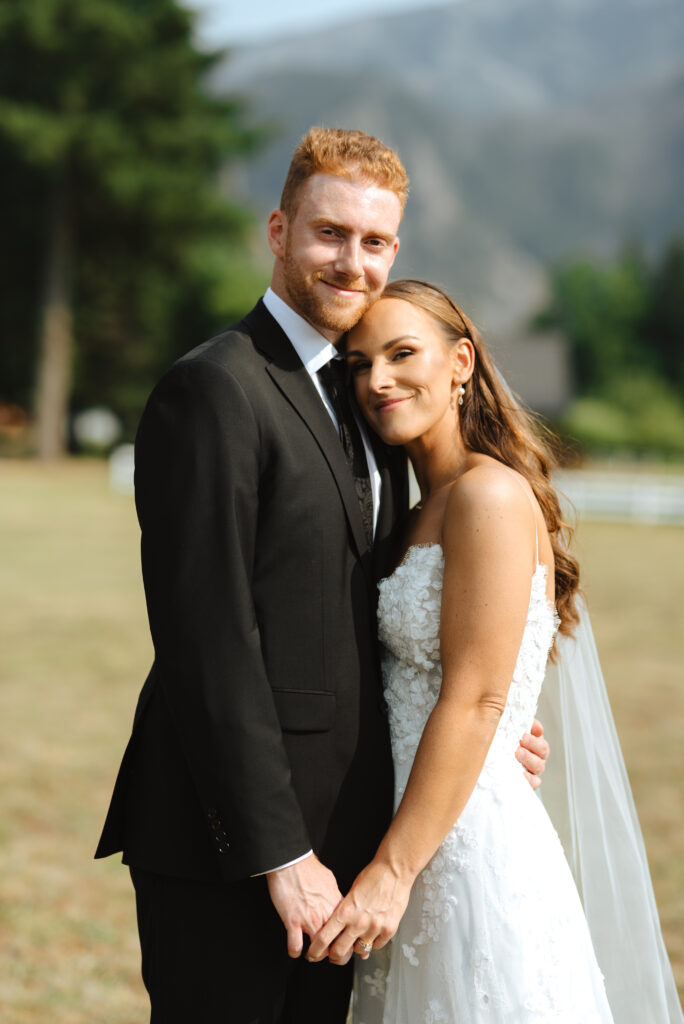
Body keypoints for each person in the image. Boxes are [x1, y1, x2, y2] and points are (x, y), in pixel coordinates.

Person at [95, 131, 548, 1024]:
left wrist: (490, 718)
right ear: (278, 230)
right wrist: (276, 853)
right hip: (229, 841)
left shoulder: (364, 395)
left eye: (375, 242)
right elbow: (207, 640)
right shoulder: (215, 388)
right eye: (329, 233)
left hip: (347, 835)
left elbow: (369, 613)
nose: (353, 262)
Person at [306, 278, 684, 1023]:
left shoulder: (489, 497)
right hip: (416, 827)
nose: (377, 379)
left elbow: (477, 700)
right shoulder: (416, 511)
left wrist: (392, 869)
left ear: (461, 362)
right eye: (357, 363)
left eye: (402, 353)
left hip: (461, 848)